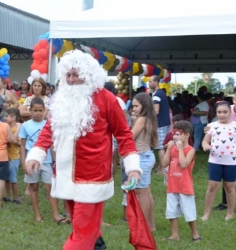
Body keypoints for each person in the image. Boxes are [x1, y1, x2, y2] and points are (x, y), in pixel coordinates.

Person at [24, 50, 141, 250]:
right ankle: (98, 245)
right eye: (67, 75)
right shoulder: (60, 99)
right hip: (63, 174)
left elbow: (124, 134)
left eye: (76, 74)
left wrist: (132, 167)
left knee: (81, 232)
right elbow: (48, 130)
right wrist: (37, 154)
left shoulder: (107, 99)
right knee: (85, 227)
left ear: (88, 75)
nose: (71, 79)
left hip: (92, 178)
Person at [20, 98, 68, 224]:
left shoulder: (48, 124)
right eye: (35, 110)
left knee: (50, 187)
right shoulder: (25, 126)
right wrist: (23, 162)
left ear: (44, 111)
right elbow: (22, 145)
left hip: (46, 161)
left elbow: (51, 144)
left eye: (40, 110)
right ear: (30, 110)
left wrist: (55, 160)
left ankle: (56, 215)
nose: (38, 113)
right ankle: (37, 214)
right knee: (34, 187)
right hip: (31, 161)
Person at [201, 101, 236, 221]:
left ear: (230, 112)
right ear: (216, 113)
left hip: (232, 161)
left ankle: (230, 213)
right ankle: (206, 213)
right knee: (212, 186)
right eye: (219, 112)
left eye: (225, 112)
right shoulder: (212, 126)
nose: (222, 114)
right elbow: (205, 140)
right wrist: (205, 145)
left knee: (229, 186)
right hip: (215, 160)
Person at [161, 121, 200, 241]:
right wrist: (168, 149)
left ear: (187, 135)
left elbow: (184, 164)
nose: (175, 137)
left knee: (189, 211)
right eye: (174, 134)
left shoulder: (190, 150)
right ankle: (174, 235)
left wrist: (180, 149)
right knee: (171, 211)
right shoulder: (172, 149)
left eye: (178, 134)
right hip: (172, 185)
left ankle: (195, 234)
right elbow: (164, 163)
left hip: (185, 186)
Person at [131, 92, 158, 231]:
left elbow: (130, 137)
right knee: (146, 192)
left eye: (136, 106)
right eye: (132, 106)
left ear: (144, 105)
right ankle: (150, 225)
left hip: (141, 157)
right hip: (147, 155)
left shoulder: (141, 120)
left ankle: (144, 226)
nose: (133, 108)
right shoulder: (149, 119)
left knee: (141, 193)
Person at [148, 75, 171, 169]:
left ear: (156, 82)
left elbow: (156, 110)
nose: (149, 83)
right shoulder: (162, 92)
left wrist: (147, 115)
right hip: (165, 122)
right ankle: (164, 166)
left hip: (160, 123)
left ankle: (163, 168)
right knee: (164, 145)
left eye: (150, 81)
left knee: (159, 147)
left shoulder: (156, 94)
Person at [3, 108, 21, 204]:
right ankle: (7, 196)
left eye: (6, 116)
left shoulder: (17, 129)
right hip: (5, 157)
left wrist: (15, 141)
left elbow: (19, 143)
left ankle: (15, 197)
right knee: (6, 179)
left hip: (14, 158)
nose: (4, 118)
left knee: (13, 179)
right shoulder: (7, 127)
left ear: (13, 118)